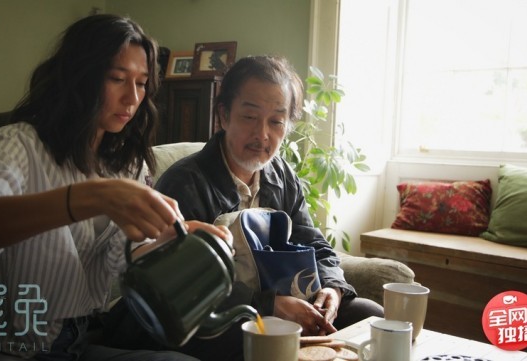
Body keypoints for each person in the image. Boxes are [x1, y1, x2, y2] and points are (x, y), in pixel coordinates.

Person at [0, 14, 229, 361]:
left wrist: (174, 235)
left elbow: (123, 259)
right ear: (79, 77)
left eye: (142, 83)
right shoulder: (15, 146)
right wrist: (88, 197)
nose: (132, 98)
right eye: (117, 79)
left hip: (74, 345)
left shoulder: (127, 164)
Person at [154, 55, 384, 360]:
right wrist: (267, 305)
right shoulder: (185, 183)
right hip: (216, 318)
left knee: (370, 316)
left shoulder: (282, 176)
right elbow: (181, 283)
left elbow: (314, 243)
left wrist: (332, 287)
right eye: (250, 117)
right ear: (223, 116)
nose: (263, 134)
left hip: (286, 308)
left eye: (276, 121)